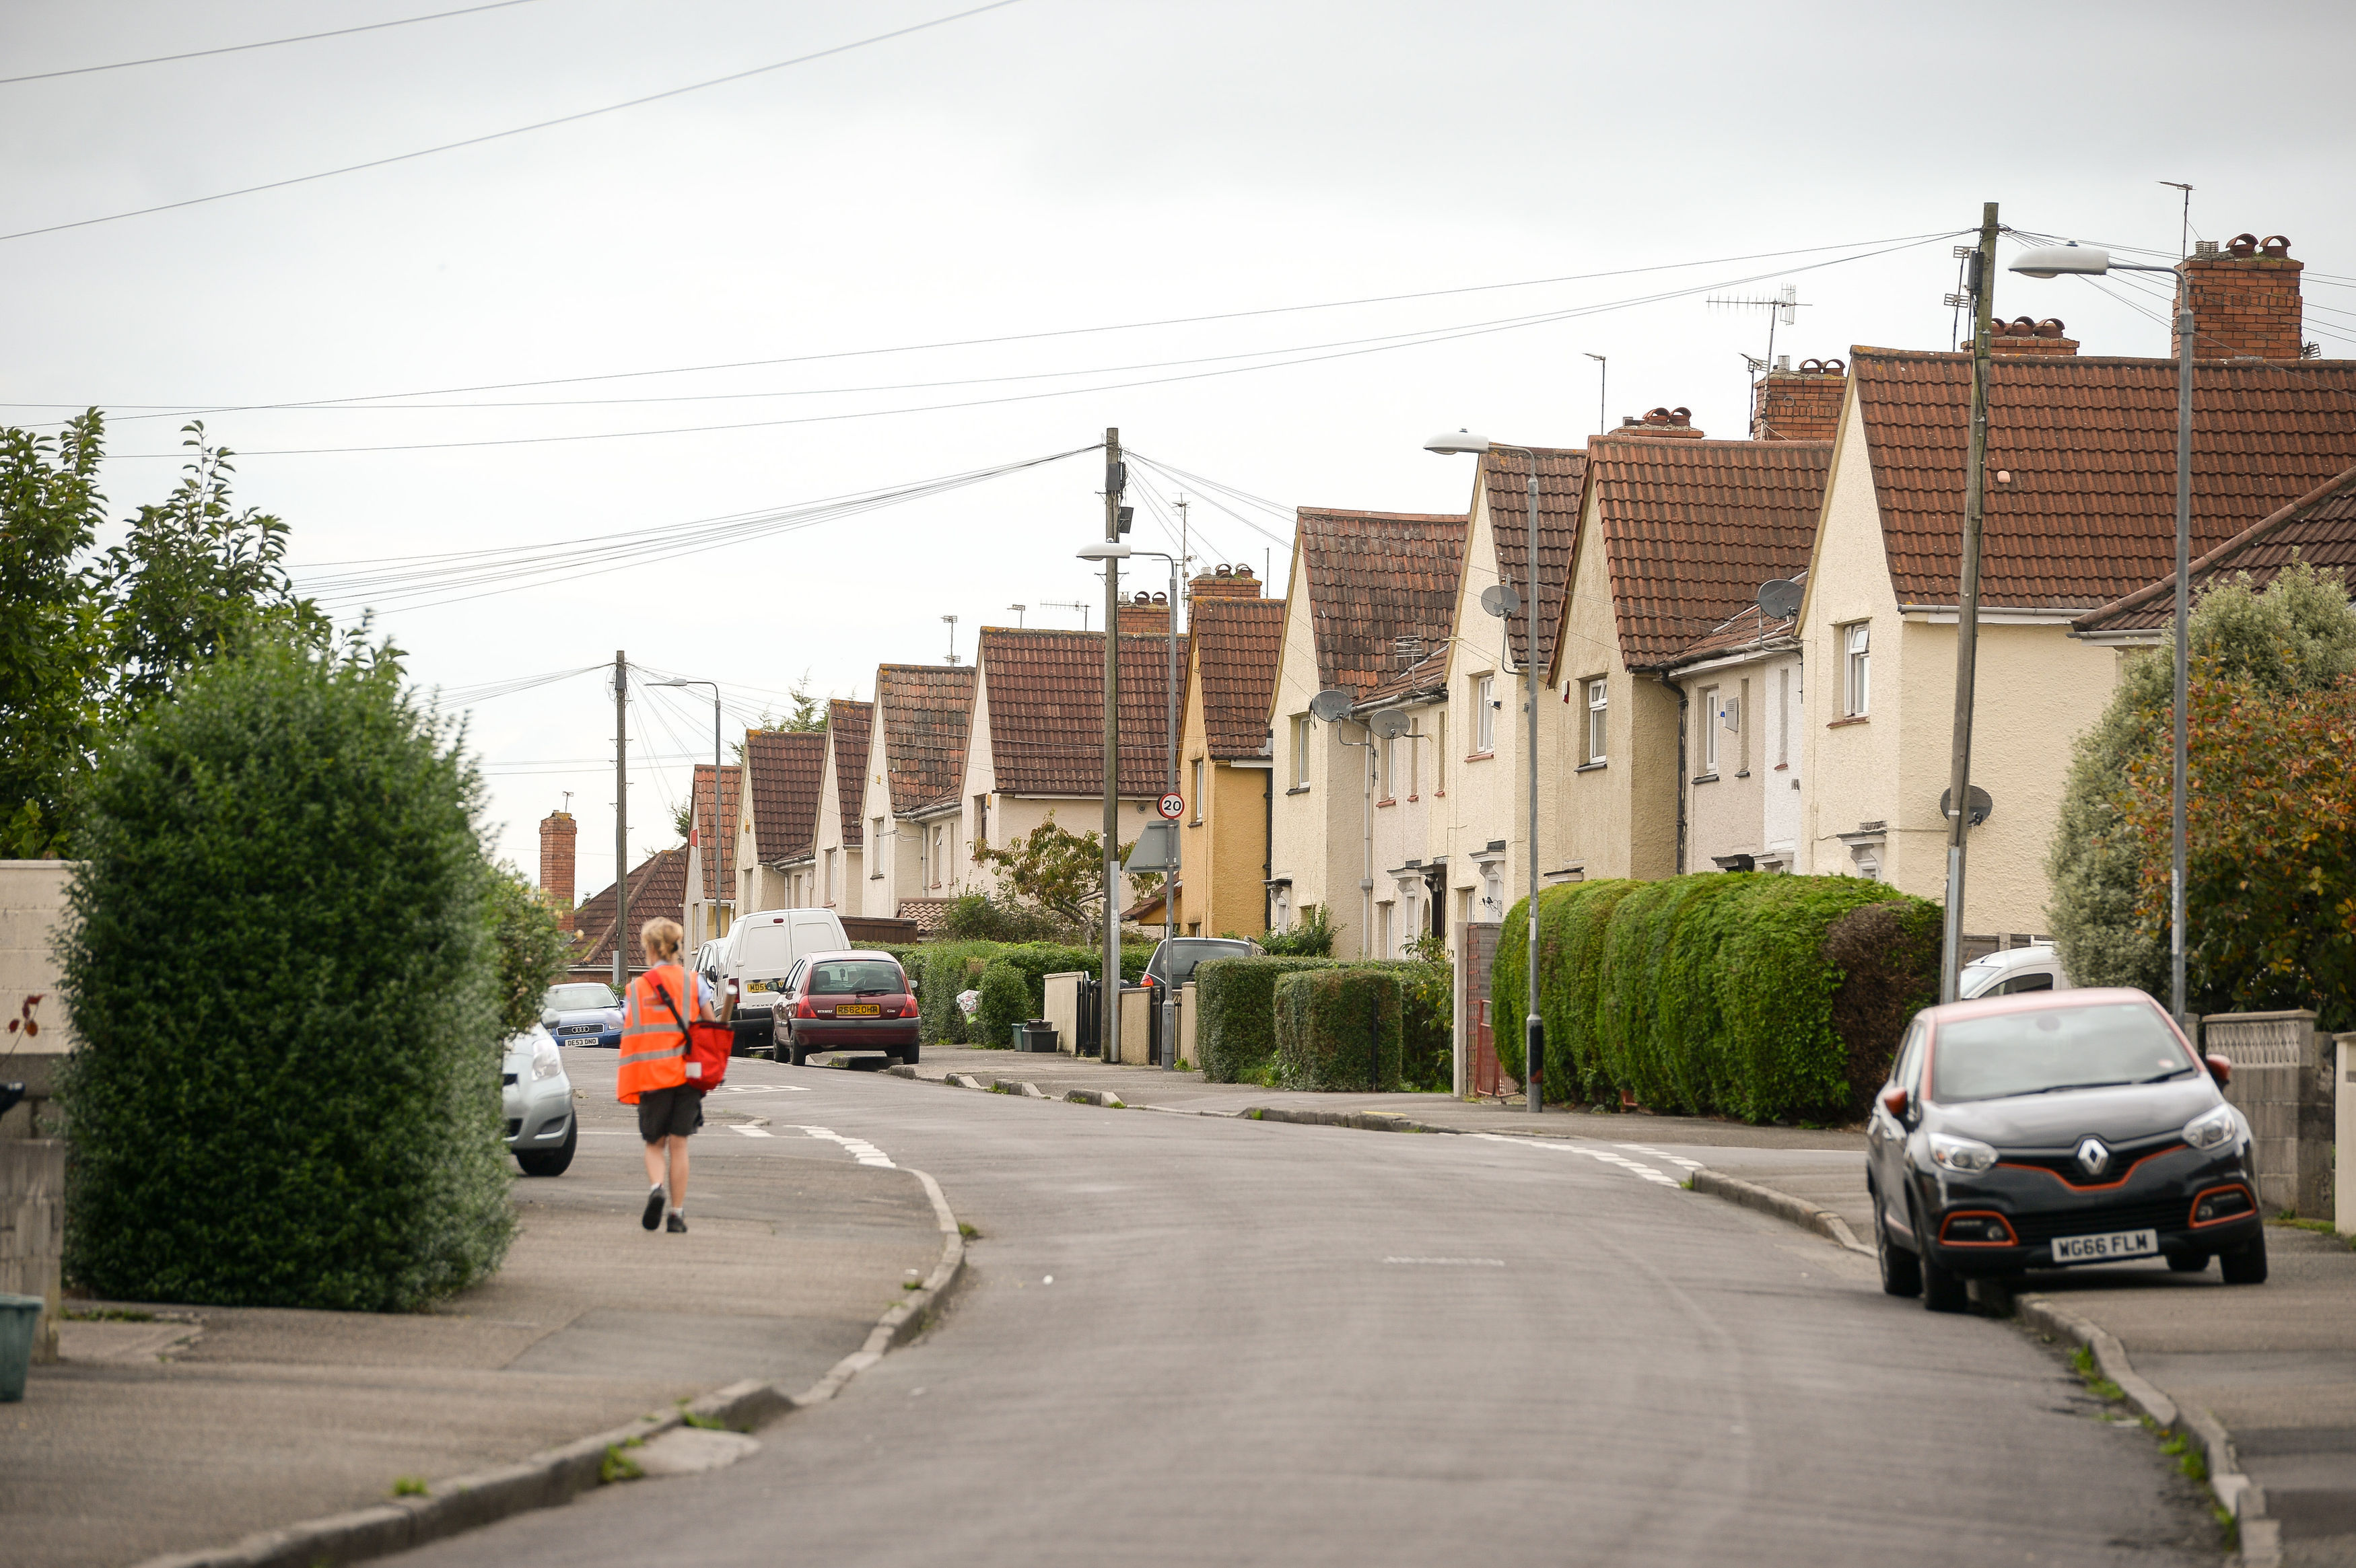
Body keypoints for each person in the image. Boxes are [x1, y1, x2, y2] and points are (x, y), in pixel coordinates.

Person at [617, 917, 702, 1234]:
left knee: (655, 1143)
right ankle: (677, 1216)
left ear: (651, 949)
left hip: (652, 1076)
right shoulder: (695, 983)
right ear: (677, 947)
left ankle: (656, 1189)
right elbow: (709, 1028)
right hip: (688, 1075)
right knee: (679, 1145)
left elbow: (628, 1024)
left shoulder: (636, 989)